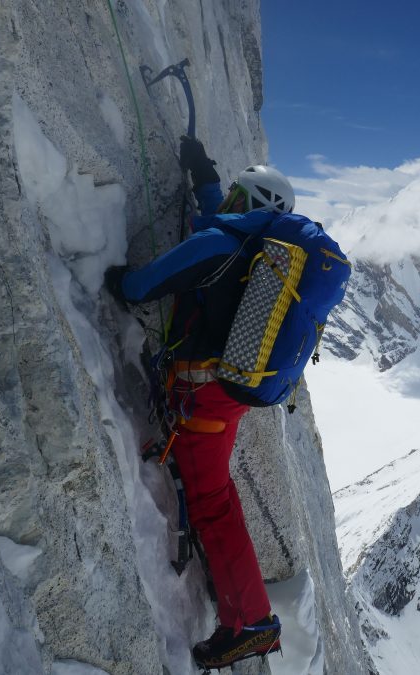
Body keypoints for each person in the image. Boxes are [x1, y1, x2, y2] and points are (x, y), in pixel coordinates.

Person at [105, 138, 305, 669]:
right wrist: (206, 176)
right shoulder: (256, 252)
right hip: (223, 395)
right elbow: (223, 221)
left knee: (214, 504)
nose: (229, 202)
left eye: (239, 195)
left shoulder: (220, 245)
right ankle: (249, 614)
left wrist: (117, 282)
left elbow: (143, 285)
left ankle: (252, 622)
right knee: (217, 497)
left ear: (252, 205)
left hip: (201, 399)